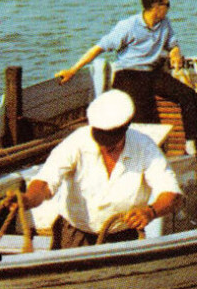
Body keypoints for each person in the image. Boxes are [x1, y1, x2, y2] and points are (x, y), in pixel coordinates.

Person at [57, 0, 197, 164]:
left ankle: (191, 147)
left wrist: (175, 52)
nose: (169, 8)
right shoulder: (128, 26)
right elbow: (99, 47)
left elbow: (172, 44)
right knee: (144, 119)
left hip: (152, 73)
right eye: (167, 4)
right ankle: (148, 159)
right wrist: (73, 69)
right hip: (129, 75)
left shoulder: (164, 23)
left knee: (189, 96)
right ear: (156, 7)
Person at [22, 89, 182, 249]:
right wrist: (27, 199)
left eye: (111, 142)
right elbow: (45, 183)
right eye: (100, 139)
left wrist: (150, 212)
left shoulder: (144, 147)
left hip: (124, 237)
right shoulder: (76, 142)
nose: (105, 147)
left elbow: (171, 194)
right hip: (75, 235)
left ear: (125, 128)